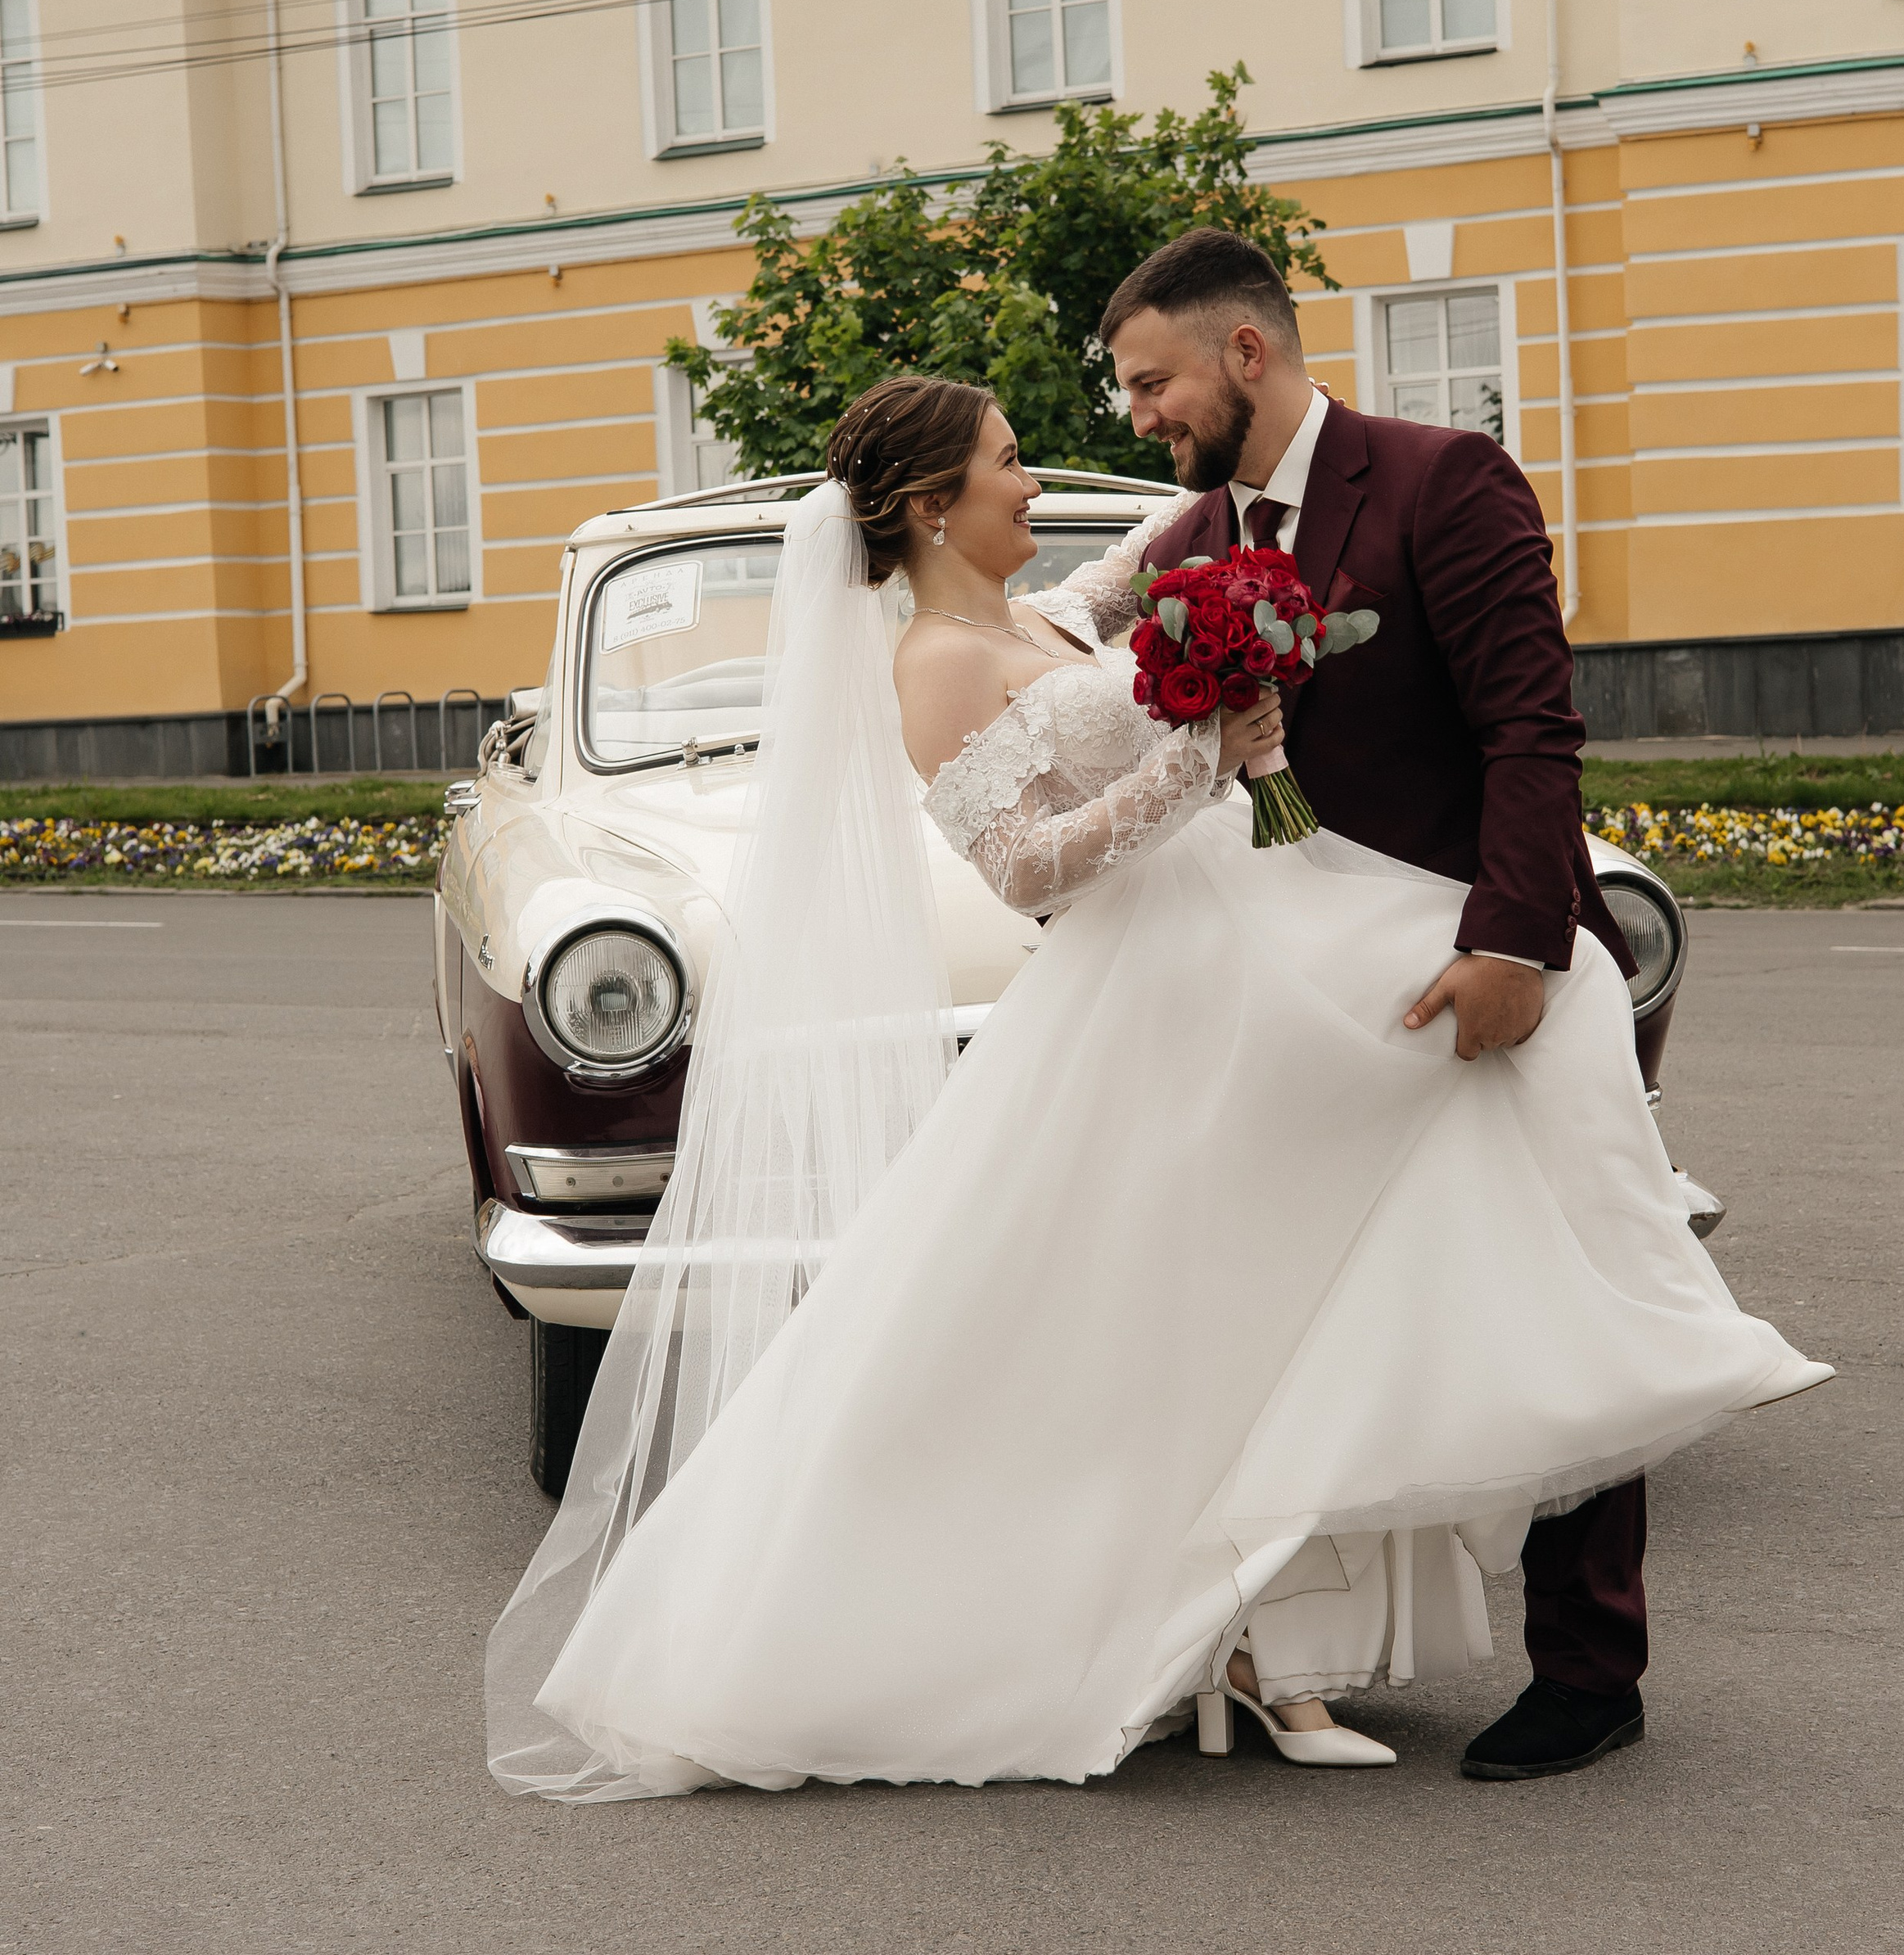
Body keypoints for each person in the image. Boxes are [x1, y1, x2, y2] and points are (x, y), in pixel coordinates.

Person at [485, 361, 1829, 1801]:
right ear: (935, 507)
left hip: (1252, 923)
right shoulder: (935, 659)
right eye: (1007, 462)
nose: (1035, 481)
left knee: (1484, 1070)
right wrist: (1201, 758)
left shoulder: (1039, 610)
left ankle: (1564, 1386)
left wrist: (1245, 595)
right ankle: (1535, 1419)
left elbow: (1198, 533)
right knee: (1153, 1296)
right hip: (1174, 964)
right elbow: (1017, 869)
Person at [1099, 224, 1674, 1777]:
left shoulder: (1441, 482)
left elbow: (1532, 731)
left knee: (1554, 1287)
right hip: (1302, 998)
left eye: (1153, 381)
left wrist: (1516, 946)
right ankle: (1269, 1647)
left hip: (1466, 971)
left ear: (1245, 352)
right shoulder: (1181, 544)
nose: (1139, 415)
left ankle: (1588, 1670)